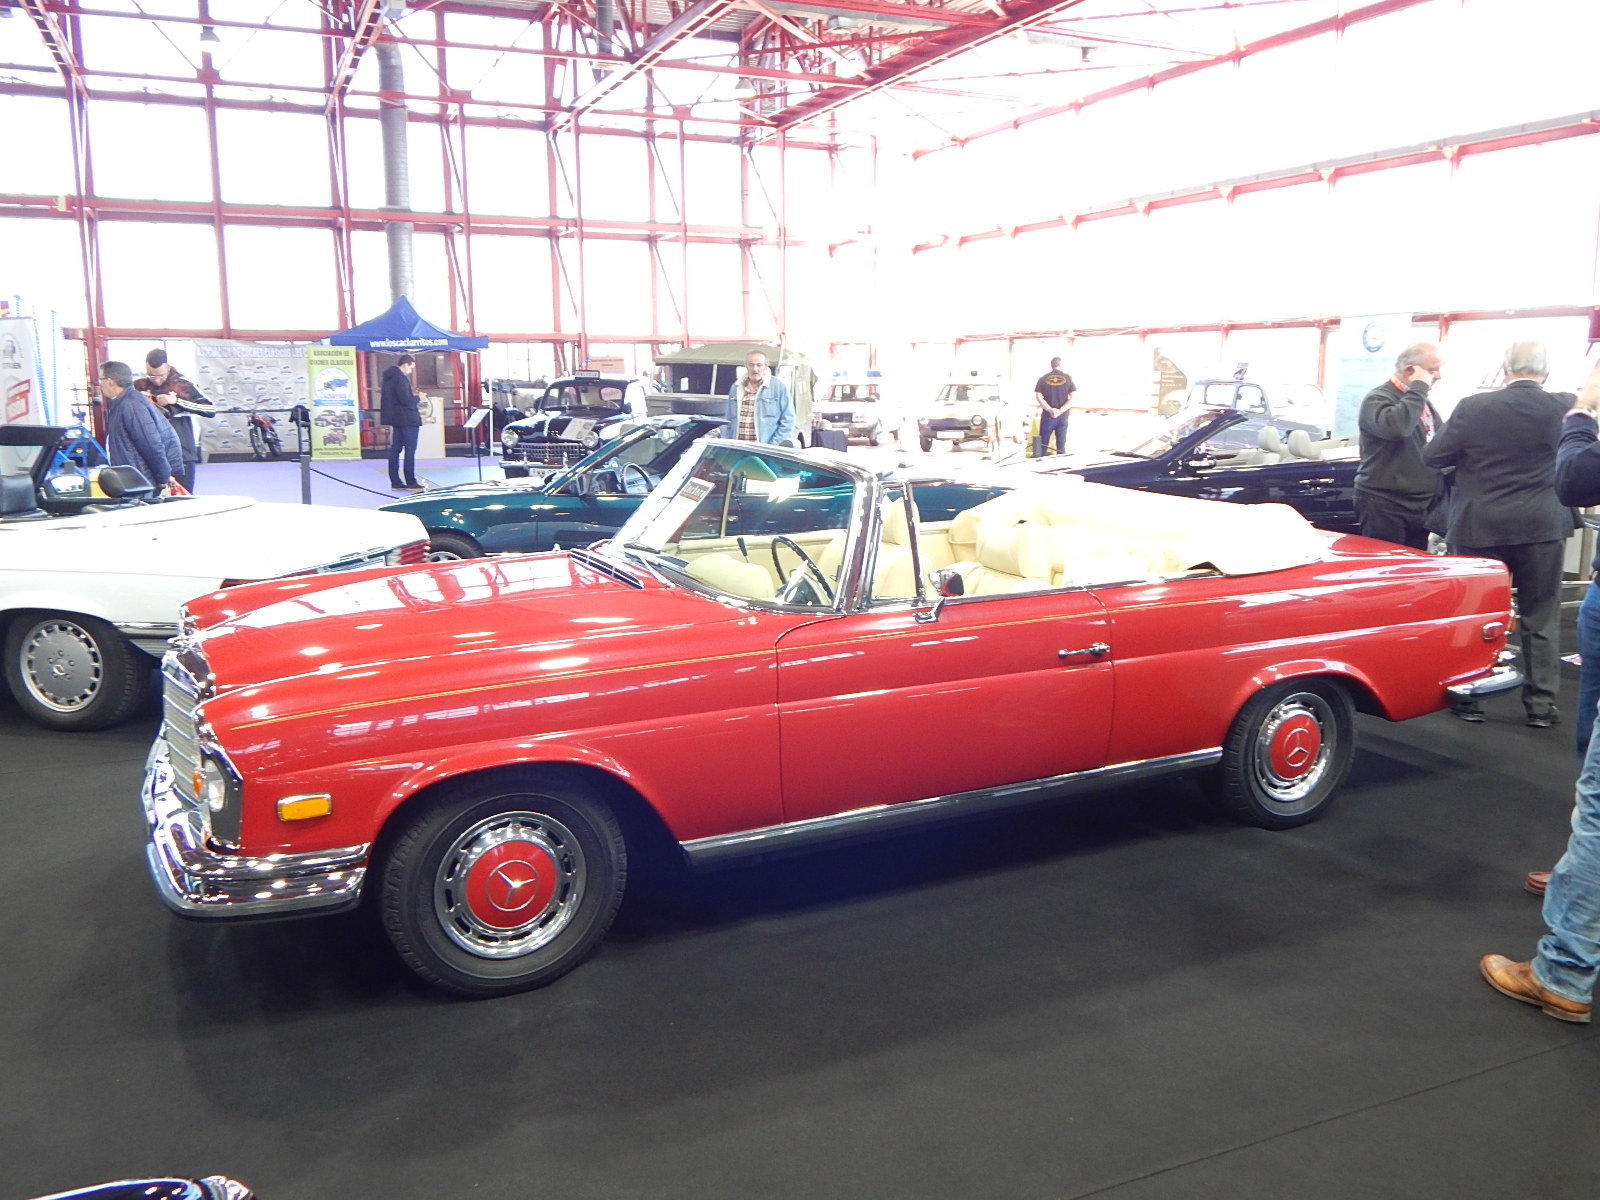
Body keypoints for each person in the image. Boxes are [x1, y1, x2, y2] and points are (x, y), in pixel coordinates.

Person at [1422, 341, 1574, 728]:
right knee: (1541, 615)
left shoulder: (1473, 407)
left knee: (1475, 614)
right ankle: (1541, 705)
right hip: (1542, 525)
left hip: (1479, 524)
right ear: (1545, 372)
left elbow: (1432, 456)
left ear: (1505, 370)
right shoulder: (1564, 406)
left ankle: (1471, 697)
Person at [1354, 342, 1444, 550]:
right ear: (1410, 370)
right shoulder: (1378, 398)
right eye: (1433, 370)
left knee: (1413, 566)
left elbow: (1438, 440)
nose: (1438, 376)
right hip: (1385, 503)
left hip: (1420, 504)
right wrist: (1419, 387)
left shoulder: (1421, 402)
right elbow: (1397, 428)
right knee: (1385, 564)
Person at [136, 348, 214, 493]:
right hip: (151, 452)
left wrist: (176, 400)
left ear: (168, 367)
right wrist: (138, 399)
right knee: (150, 498)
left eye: (161, 376)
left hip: (181, 451)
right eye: (152, 375)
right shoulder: (139, 385)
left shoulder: (183, 384)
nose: (157, 380)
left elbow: (210, 409)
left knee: (183, 496)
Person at [99, 360, 180, 492]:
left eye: (100, 380)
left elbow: (151, 444)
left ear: (110, 381)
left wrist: (163, 477)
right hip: (132, 479)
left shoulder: (131, 405)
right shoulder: (122, 402)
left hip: (139, 482)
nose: (99, 384)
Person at [724, 350, 796, 445]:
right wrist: (727, 444)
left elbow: (788, 421)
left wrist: (773, 446)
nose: (755, 369)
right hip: (738, 448)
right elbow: (727, 421)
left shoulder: (779, 387)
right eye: (751, 365)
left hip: (764, 449)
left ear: (766, 367)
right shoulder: (736, 387)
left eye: (759, 365)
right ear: (746, 366)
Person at [380, 354, 424, 490]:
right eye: (411, 367)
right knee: (410, 451)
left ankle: (395, 482)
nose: (411, 371)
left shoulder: (389, 377)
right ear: (405, 364)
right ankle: (411, 481)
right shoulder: (401, 378)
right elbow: (406, 400)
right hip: (408, 419)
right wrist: (418, 398)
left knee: (395, 450)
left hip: (396, 419)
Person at [1033, 357, 1076, 456]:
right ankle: (1061, 464)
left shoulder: (1043, 378)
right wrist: (1060, 410)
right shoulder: (1068, 378)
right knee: (1061, 446)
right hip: (1062, 416)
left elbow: (1038, 397)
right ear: (1060, 365)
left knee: (1043, 445)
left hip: (1047, 416)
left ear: (1052, 365)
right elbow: (1073, 398)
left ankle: (1040, 462)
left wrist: (1050, 409)